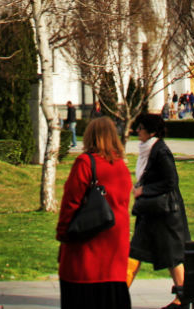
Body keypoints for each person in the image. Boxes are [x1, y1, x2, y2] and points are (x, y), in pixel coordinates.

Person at [55, 116, 132, 309]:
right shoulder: (121, 166)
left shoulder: (85, 163)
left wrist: (63, 235)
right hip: (114, 249)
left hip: (86, 249)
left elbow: (71, 203)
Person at [128, 113, 190, 309]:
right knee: (137, 252)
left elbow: (171, 181)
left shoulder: (160, 151)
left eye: (141, 127)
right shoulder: (149, 149)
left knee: (171, 256)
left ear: (151, 131)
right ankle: (118, 293)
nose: (137, 131)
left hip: (165, 213)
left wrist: (144, 190)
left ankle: (182, 298)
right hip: (152, 211)